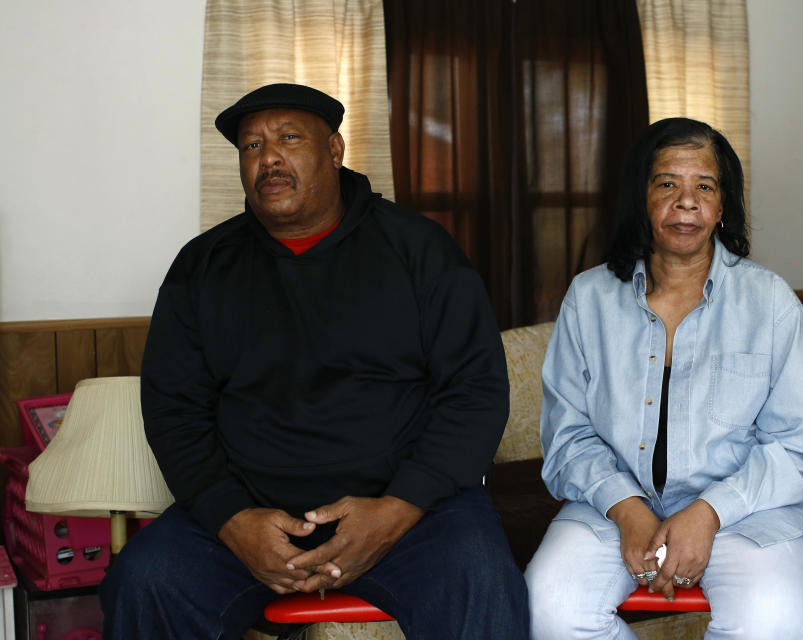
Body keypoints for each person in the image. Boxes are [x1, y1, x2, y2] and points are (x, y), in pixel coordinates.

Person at [100, 83, 529, 640]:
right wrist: (232, 519)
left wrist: (398, 509)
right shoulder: (202, 266)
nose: (268, 158)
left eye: (288, 138)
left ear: (335, 150)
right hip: (251, 512)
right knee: (146, 576)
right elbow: (174, 409)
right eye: (251, 147)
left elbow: (474, 392)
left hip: (409, 512)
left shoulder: (419, 249)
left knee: (482, 577)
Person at [524, 118, 803, 640]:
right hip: (612, 507)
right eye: (667, 184)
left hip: (747, 511)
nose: (685, 203)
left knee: (769, 622)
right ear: (641, 197)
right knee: (547, 608)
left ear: (723, 204)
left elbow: (800, 447)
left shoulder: (771, 302)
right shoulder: (589, 298)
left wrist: (709, 512)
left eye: (703, 187)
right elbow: (567, 436)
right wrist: (626, 509)